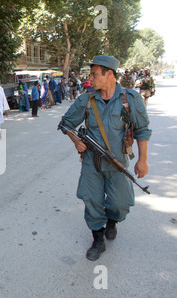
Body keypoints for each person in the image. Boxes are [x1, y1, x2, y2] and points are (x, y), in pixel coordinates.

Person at [60, 55, 152, 261]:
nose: (90, 78)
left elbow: (143, 131)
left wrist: (143, 160)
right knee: (91, 199)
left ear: (109, 74)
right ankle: (98, 238)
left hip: (118, 162)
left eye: (94, 74)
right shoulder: (86, 100)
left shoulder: (131, 100)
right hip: (92, 163)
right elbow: (66, 123)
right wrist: (76, 141)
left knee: (121, 203)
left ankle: (112, 220)